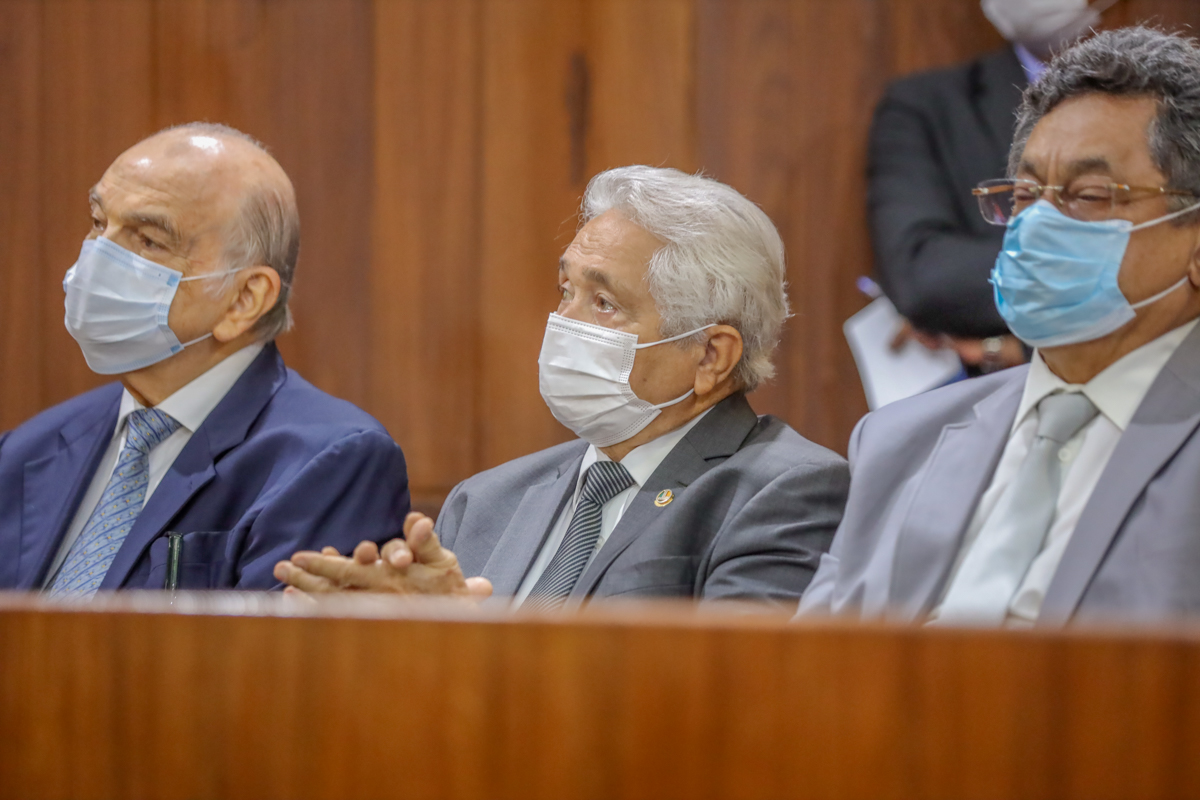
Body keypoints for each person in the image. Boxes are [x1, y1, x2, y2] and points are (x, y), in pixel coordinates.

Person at [275, 166, 850, 608]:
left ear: (710, 355)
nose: (562, 323)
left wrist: (471, 646)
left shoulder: (785, 490)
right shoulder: (486, 501)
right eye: (564, 291)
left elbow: (727, 696)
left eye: (604, 303)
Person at [801, 27, 1200, 627]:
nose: (1036, 226)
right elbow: (808, 662)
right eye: (1024, 196)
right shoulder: (896, 443)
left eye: (1089, 195)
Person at [0, 123, 409, 596]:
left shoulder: (329, 462)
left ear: (244, 299)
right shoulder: (25, 450)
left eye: (148, 240)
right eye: (98, 223)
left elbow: (270, 644)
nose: (97, 258)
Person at [869, 0, 1119, 371]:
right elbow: (925, 279)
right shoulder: (925, 105)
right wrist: (1106, 269)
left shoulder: (1172, 108)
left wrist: (1018, 348)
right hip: (1004, 392)